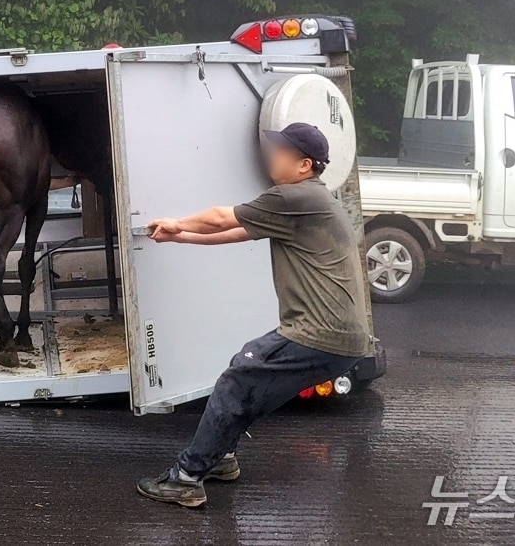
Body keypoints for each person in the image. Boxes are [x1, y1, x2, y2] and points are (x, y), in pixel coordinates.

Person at [136, 122, 372, 508]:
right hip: (336, 336)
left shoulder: (295, 197)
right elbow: (236, 232)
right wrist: (179, 236)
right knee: (247, 374)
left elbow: (219, 217)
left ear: (304, 165)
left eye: (281, 151)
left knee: (236, 380)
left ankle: (187, 477)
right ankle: (221, 458)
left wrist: (178, 220)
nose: (272, 156)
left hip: (321, 332)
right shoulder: (303, 202)